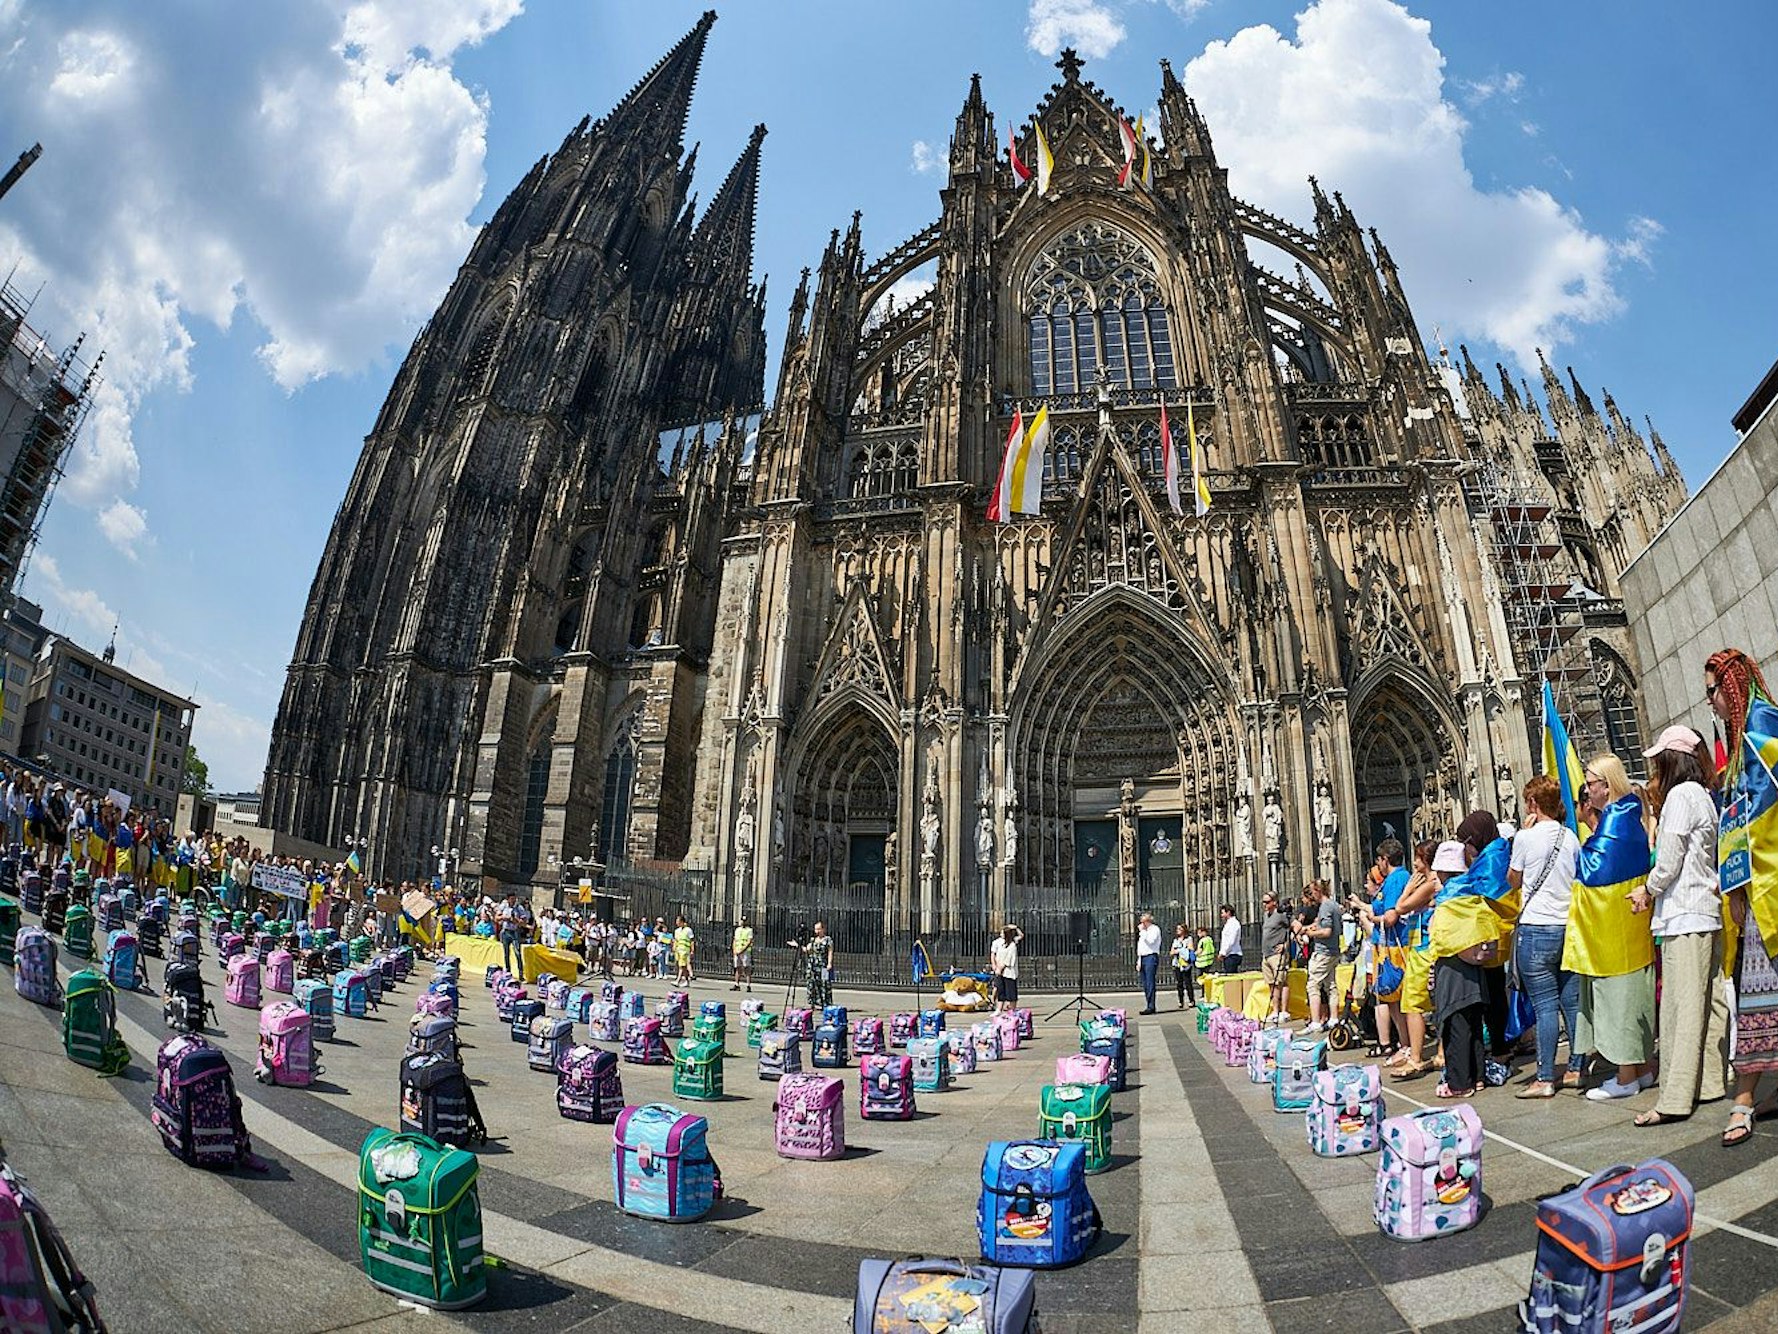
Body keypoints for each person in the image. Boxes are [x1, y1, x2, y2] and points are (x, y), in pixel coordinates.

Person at [1634, 725, 1730, 1127]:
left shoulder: (1678, 797)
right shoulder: (1704, 796)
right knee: (1710, 1003)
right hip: (1706, 910)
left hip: (1683, 914)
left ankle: (1674, 1099)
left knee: (1681, 1007)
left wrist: (1647, 890)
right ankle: (1708, 1083)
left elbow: (1668, 860)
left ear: (1672, 760)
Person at [1705, 649, 1778, 1146]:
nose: (1709, 701)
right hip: (1758, 886)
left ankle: (1746, 1096)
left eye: (1711, 690)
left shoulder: (1761, 725)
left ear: (1730, 684)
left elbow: (1757, 814)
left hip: (1769, 884)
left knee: (1758, 988)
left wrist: (1740, 882)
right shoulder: (1745, 733)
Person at [1575, 754, 1657, 1102]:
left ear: (1605, 787)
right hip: (1621, 928)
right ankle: (1643, 1069)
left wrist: (1572, 851)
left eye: (1590, 784)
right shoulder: (1621, 815)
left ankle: (1626, 1077)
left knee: (1621, 998)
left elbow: (1595, 869)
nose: (1586, 791)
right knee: (1629, 996)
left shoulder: (1618, 819)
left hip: (1616, 931)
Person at [1509, 775, 1586, 1099]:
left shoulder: (1526, 838)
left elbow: (1513, 880)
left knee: (1544, 1006)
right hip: (1567, 927)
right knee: (1571, 1003)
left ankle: (1544, 1077)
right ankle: (1576, 1068)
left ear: (1532, 804)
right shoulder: (1570, 838)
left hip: (1536, 928)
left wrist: (1522, 836)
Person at [1430, 840, 1486, 1098]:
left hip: (1453, 967)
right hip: (1475, 966)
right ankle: (1478, 1077)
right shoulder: (1472, 893)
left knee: (1456, 1024)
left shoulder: (1448, 899)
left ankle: (1459, 1083)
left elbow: (1441, 936)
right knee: (1473, 1024)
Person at [1385, 841, 1439, 1080]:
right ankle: (1440, 1053)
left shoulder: (1429, 883)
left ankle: (1415, 1058)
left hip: (1424, 947)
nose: (1414, 863)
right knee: (1436, 1003)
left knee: (1412, 1003)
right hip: (1424, 945)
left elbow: (1401, 906)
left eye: (1417, 858)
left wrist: (1408, 888)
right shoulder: (1435, 881)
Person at [1369, 840, 1410, 1060]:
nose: (1378, 863)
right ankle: (1404, 1044)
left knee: (1396, 995)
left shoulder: (1395, 879)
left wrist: (1371, 918)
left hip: (1394, 945)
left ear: (1385, 859)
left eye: (1379, 859)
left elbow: (1392, 916)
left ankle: (1406, 1044)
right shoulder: (1398, 878)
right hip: (1390, 944)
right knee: (1392, 998)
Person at [1300, 880, 1340, 1032]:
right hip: (1334, 950)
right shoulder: (1334, 905)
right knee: (1331, 986)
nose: (1312, 896)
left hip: (1323, 951)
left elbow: (1326, 931)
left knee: (1313, 985)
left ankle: (1315, 1022)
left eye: (1312, 892)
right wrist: (1310, 927)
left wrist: (1311, 933)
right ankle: (1334, 1019)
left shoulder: (1325, 907)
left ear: (1318, 891)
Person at [1258, 892, 1293, 1023]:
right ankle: (1275, 1010)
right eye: (1263, 902)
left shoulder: (1281, 916)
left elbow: (1293, 929)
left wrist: (1285, 945)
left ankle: (1284, 1011)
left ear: (1274, 902)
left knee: (1281, 982)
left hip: (1277, 954)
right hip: (1266, 954)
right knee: (1271, 984)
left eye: (1267, 902)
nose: (1264, 905)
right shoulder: (1266, 916)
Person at [496, 891, 530, 976]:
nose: (513, 901)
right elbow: (496, 918)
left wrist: (516, 920)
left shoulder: (519, 908)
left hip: (514, 931)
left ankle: (521, 973)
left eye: (514, 899)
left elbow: (524, 921)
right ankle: (508, 971)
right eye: (512, 899)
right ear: (508, 899)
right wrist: (504, 918)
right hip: (505, 931)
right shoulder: (503, 906)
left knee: (517, 953)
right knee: (506, 953)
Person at [804, 920, 834, 1009]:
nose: (817, 931)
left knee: (824, 983)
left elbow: (830, 952)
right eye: (815, 929)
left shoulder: (828, 940)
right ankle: (813, 1002)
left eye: (818, 929)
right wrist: (797, 945)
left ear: (823, 929)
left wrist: (829, 963)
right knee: (812, 983)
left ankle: (825, 1002)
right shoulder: (813, 940)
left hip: (823, 964)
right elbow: (808, 949)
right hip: (813, 964)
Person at [1136, 911, 1163, 1013]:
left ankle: (1151, 1006)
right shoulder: (1144, 932)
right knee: (1145, 983)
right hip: (1143, 957)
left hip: (1151, 957)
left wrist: (1143, 931)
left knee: (1150, 982)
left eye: (1142, 921)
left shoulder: (1154, 929)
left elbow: (1151, 941)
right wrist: (1139, 961)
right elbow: (1141, 947)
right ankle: (1148, 1004)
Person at [993, 924, 1023, 1014]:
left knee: (1011, 992)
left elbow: (1009, 959)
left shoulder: (1012, 945)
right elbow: (996, 955)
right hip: (1000, 971)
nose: (1001, 934)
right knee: (1001, 990)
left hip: (1009, 972)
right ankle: (999, 1009)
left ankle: (1012, 1011)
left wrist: (1001, 967)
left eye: (1003, 933)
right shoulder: (1001, 944)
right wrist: (996, 966)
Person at [1170, 922, 1196, 1010]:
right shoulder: (1175, 940)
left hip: (1185, 964)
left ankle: (1191, 1000)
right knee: (1179, 983)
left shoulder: (1188, 939)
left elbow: (1191, 949)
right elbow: (1171, 952)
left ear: (1184, 930)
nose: (1178, 931)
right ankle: (1181, 1001)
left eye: (1180, 929)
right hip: (1177, 963)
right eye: (1177, 929)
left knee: (1188, 982)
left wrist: (1180, 950)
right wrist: (1178, 951)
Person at [1215, 903, 1243, 976]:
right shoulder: (1229, 923)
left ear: (1228, 912)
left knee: (1231, 978)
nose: (1221, 915)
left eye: (1222, 913)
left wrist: (1223, 952)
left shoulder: (1233, 924)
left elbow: (1231, 940)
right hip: (1229, 954)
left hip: (1232, 954)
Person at [731, 916, 755, 991]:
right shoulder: (737, 930)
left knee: (746, 968)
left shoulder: (749, 930)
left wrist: (742, 950)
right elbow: (735, 940)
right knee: (737, 968)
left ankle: (748, 985)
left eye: (745, 921)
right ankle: (737, 984)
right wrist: (734, 950)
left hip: (745, 951)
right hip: (737, 950)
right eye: (742, 921)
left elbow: (749, 941)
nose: (743, 922)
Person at [673, 914, 696, 986]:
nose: (677, 922)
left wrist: (692, 950)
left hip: (685, 950)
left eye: (678, 921)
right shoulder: (677, 931)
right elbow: (676, 940)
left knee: (682, 966)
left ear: (682, 922)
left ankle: (678, 980)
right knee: (683, 966)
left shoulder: (688, 930)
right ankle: (687, 981)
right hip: (678, 950)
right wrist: (674, 947)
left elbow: (692, 941)